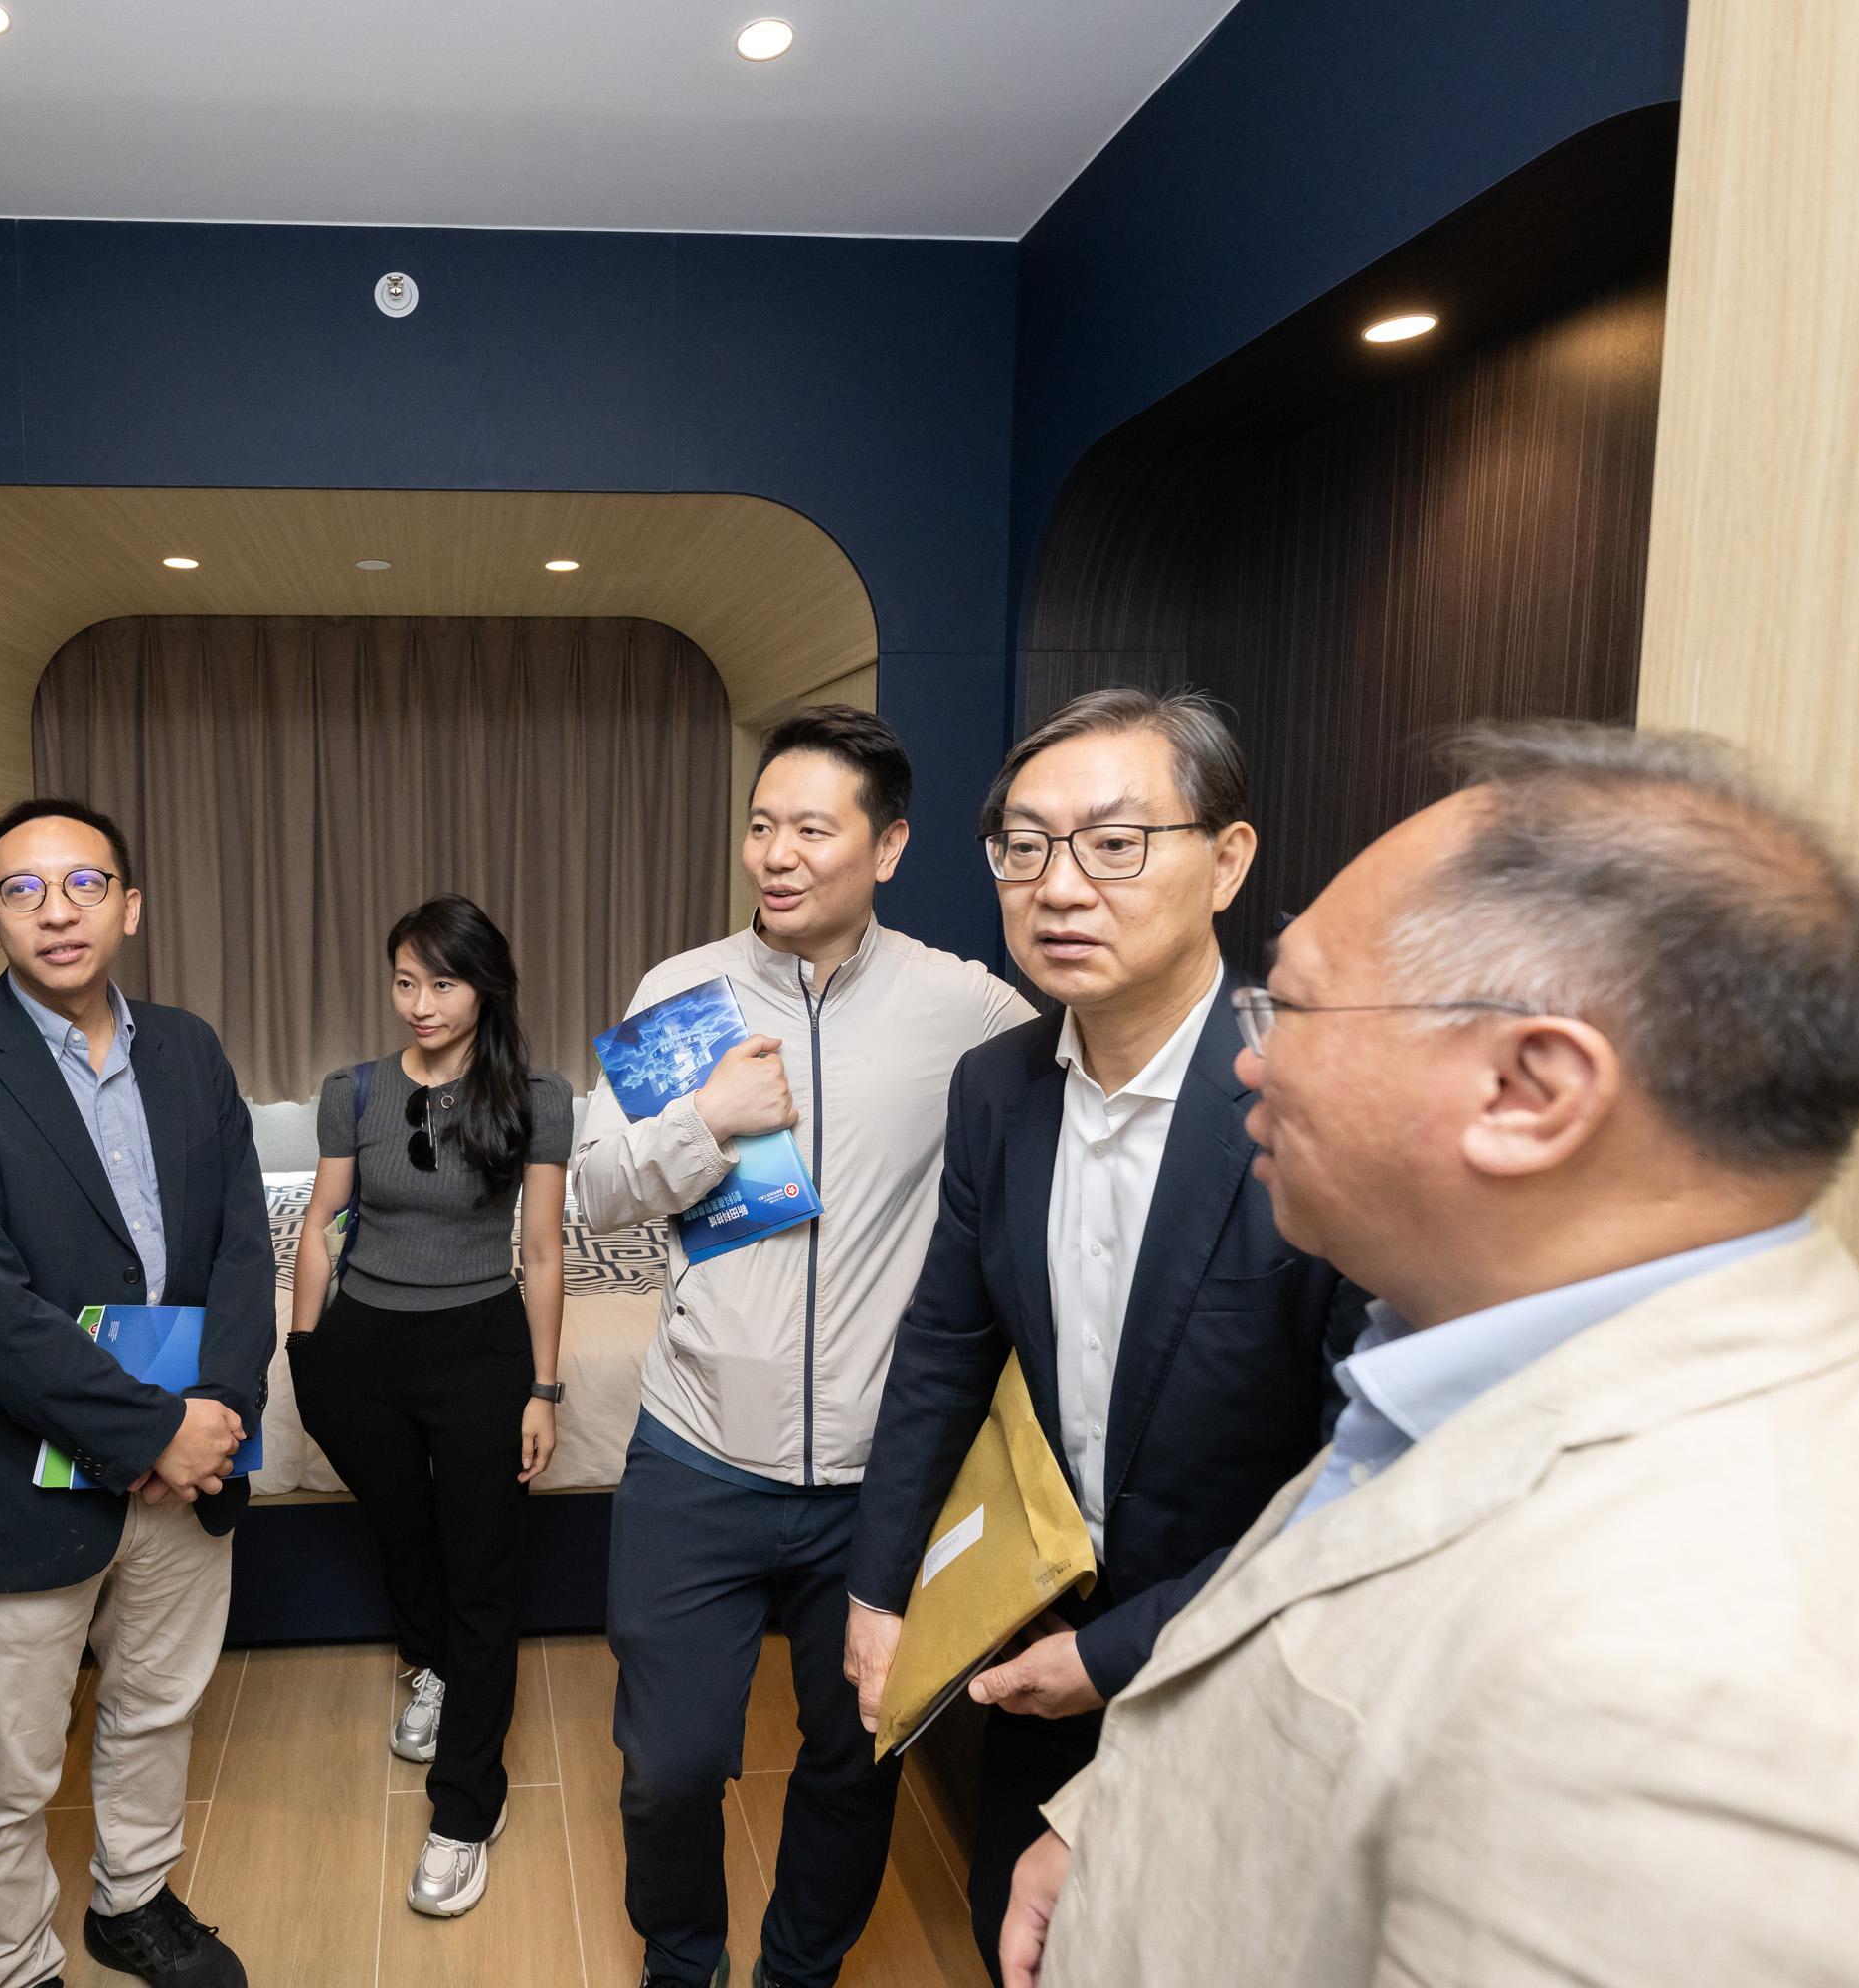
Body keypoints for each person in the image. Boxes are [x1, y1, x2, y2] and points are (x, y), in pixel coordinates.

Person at [1000, 723, 1859, 1986]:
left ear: (1530, 1089)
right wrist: (1112, 1819)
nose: (1250, 1057)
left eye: (1298, 1004)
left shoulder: (1706, 1693)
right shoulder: (1461, 1344)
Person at [840, 689, 1369, 1974]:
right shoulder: (999, 1087)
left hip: (1270, 1648)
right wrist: (878, 1579)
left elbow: (1367, 1465)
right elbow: (946, 1347)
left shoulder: (1323, 1095)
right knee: (1018, 1943)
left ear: (1226, 861)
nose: (1060, 885)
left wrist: (1122, 1654)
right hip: (1033, 1627)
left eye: (1116, 843)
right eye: (1025, 846)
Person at [574, 705, 1037, 1988]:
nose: (776, 853)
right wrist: (706, 1123)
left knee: (855, 1757)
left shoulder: (972, 1013)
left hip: (879, 1485)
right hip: (697, 1454)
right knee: (667, 1764)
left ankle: (797, 1972)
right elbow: (595, 1194)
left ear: (886, 848)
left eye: (811, 829)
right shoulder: (684, 993)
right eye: (762, 825)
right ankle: (682, 1964)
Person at [0, 799, 272, 1988]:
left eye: (85, 883)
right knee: (8, 1754)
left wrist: (211, 1414)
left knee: (157, 1707)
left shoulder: (190, 1047)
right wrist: (155, 1426)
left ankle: (133, 1899)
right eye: (23, 888)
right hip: (27, 1477)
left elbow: (243, 1246)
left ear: (131, 905)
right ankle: (9, 1962)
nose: (58, 910)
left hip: (192, 1459)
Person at [286, 895, 572, 1918]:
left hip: (481, 1347)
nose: (419, 1001)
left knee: (483, 1567)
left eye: (442, 981)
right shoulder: (351, 1090)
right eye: (404, 979)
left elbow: (541, 1251)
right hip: (360, 1346)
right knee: (403, 1531)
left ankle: (465, 1806)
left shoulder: (536, 1094)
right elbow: (321, 1221)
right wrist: (305, 1349)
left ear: (484, 985)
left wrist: (544, 1386)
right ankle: (433, 1664)